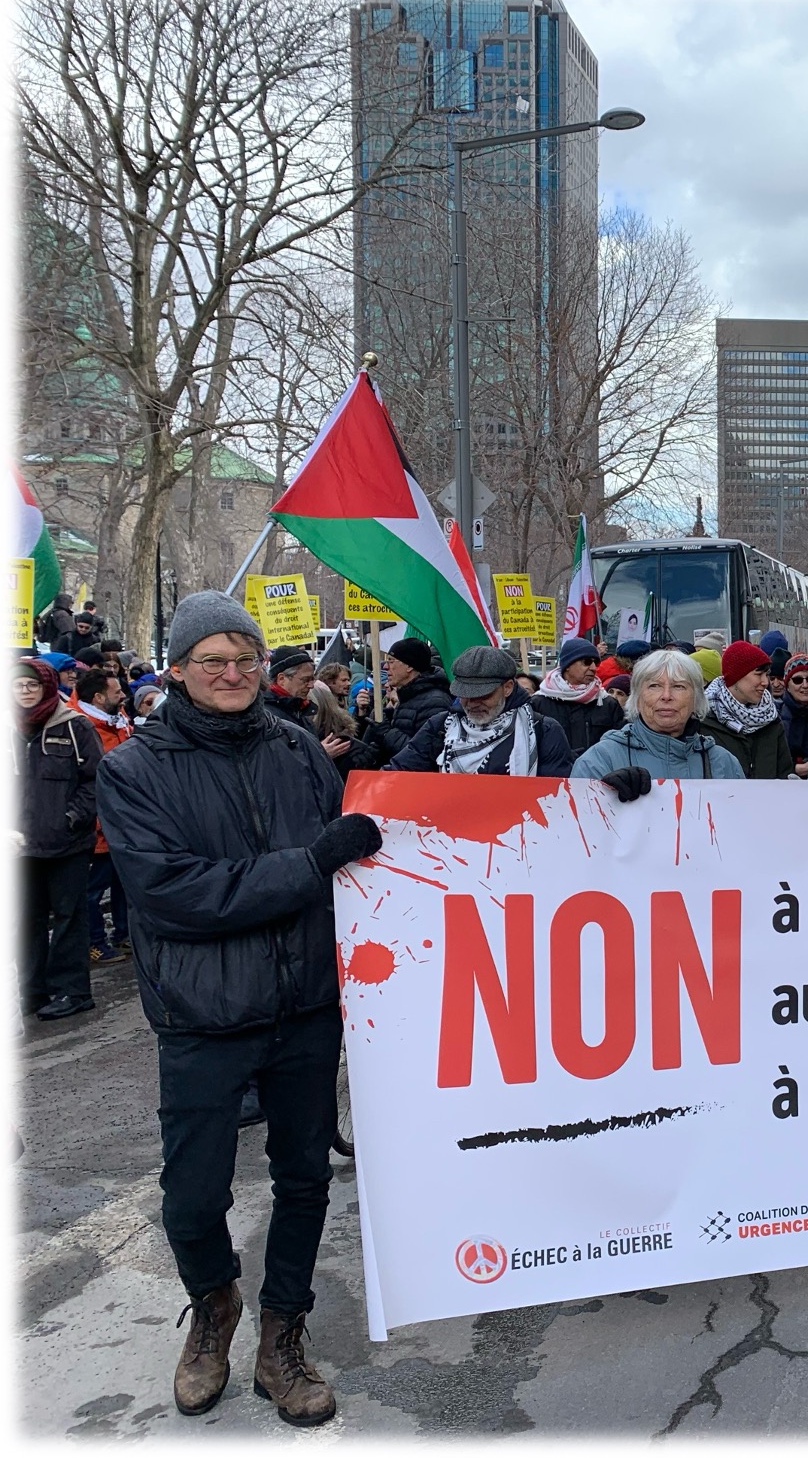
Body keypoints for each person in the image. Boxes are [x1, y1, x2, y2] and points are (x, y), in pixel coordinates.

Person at [96, 590, 382, 1424]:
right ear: (178, 670)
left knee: (304, 1178)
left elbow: (377, 844)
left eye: (245, 658)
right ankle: (214, 1307)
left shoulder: (299, 750)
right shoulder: (133, 767)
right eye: (212, 661)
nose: (232, 673)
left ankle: (282, 1331)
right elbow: (173, 891)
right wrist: (308, 864)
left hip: (305, 1006)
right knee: (192, 1195)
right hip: (204, 1012)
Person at [16, 656, 103, 1019]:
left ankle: (72, 990)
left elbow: (96, 781)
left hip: (67, 843)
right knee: (26, 919)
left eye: (32, 685)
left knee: (69, 916)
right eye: (18, 685)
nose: (25, 691)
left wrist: (71, 818)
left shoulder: (74, 726)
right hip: (20, 846)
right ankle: (32, 991)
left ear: (47, 687)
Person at [386, 646, 572, 778]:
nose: (473, 703)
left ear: (507, 688)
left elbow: (555, 797)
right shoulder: (440, 726)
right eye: (465, 695)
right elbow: (398, 772)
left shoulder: (543, 730)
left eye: (483, 695)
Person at [571, 649, 746, 783]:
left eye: (679, 686)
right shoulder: (600, 761)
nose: (666, 696)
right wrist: (606, 796)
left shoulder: (724, 764)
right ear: (637, 698)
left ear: (696, 699)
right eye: (654, 686)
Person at [72, 666, 133, 963]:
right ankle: (93, 942)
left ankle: (123, 934)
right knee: (92, 891)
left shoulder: (117, 721)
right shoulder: (81, 728)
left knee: (123, 884)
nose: (123, 695)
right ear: (98, 698)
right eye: (117, 691)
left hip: (123, 822)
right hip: (98, 827)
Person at [701, 641, 796, 779]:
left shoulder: (771, 719)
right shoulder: (704, 720)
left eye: (766, 674)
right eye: (758, 674)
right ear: (737, 676)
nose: (765, 682)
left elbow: (784, 774)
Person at [529, 638, 625, 758]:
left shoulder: (608, 704)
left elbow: (619, 748)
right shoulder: (538, 703)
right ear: (568, 665)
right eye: (586, 662)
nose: (593, 668)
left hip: (596, 769)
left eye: (596, 663)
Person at [378, 638, 451, 754]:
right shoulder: (408, 695)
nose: (385, 667)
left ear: (409, 666)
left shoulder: (435, 702)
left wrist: (387, 732)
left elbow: (424, 753)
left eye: (391, 661)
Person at [780, 655, 808, 776]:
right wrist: (795, 768)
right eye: (797, 680)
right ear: (787, 685)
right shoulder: (775, 716)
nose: (805, 685)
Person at [262, 648, 317, 732]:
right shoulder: (267, 716)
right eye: (306, 680)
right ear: (281, 679)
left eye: (312, 679)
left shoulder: (298, 708)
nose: (311, 685)